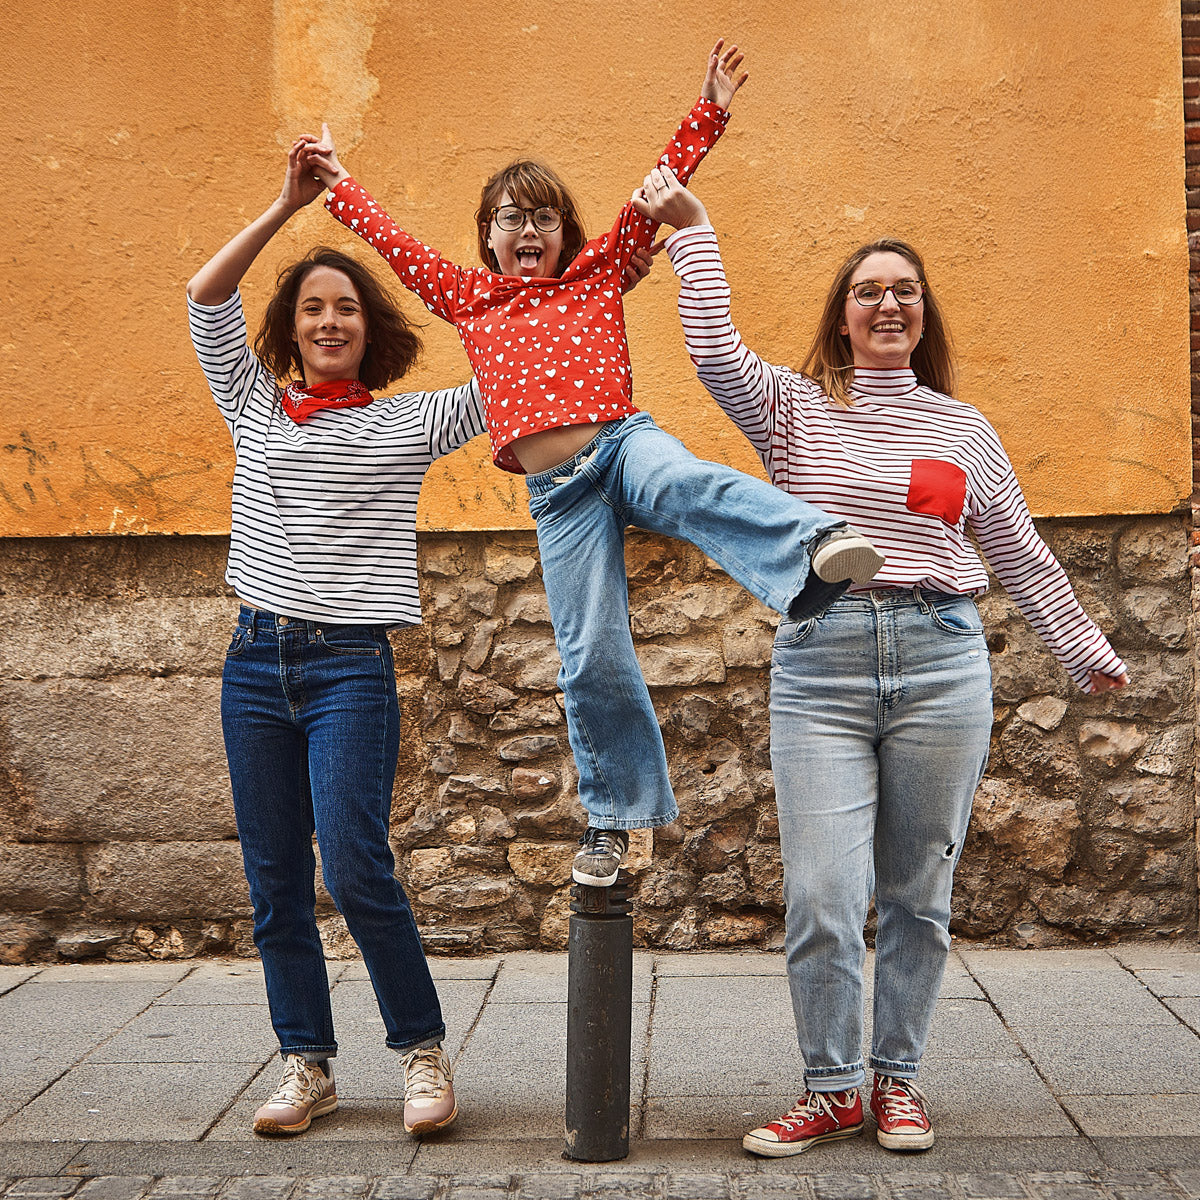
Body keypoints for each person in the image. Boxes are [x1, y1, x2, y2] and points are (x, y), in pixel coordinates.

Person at [301, 41, 885, 889]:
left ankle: (815, 549)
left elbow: (659, 186)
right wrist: (337, 182)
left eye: (541, 217)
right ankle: (613, 822)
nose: (527, 229)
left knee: (687, 484)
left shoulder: (598, 271)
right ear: (490, 238)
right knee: (591, 652)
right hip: (559, 497)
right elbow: (393, 243)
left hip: (621, 443)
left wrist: (710, 108)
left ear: (564, 232)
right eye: (510, 217)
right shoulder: (468, 296)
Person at [633, 164, 1128, 1155]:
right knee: (822, 894)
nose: (888, 302)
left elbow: (1018, 552)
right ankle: (830, 1087)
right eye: (869, 291)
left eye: (905, 289)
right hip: (822, 660)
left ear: (923, 314)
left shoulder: (964, 429)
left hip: (944, 663)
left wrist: (1084, 650)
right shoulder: (794, 410)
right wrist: (691, 229)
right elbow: (713, 352)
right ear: (844, 318)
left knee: (919, 892)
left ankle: (896, 1081)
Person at [185, 138, 489, 1138]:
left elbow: (511, 372)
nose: (327, 319)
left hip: (351, 666)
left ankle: (421, 1050)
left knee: (355, 862)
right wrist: (286, 205)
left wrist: (531, 275)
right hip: (253, 662)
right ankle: (306, 1063)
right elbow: (203, 293)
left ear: (370, 332)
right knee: (274, 873)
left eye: (345, 307)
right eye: (312, 306)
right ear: (291, 326)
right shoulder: (255, 403)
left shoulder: (408, 423)